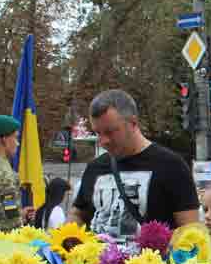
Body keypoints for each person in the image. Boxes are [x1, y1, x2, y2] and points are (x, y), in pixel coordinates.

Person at [69, 90, 199, 241]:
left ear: (133, 123)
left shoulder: (171, 165)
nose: (103, 141)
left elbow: (190, 231)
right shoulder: (95, 167)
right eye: (98, 133)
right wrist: (65, 241)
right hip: (93, 263)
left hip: (150, 262)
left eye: (110, 132)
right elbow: (78, 213)